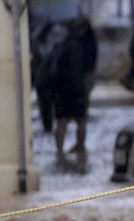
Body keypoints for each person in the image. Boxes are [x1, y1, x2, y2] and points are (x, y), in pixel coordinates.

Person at [52, 16, 97, 156]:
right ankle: (78, 146)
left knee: (63, 120)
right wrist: (82, 91)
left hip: (63, 89)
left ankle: (61, 151)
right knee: (79, 120)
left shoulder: (65, 45)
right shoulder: (85, 46)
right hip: (75, 89)